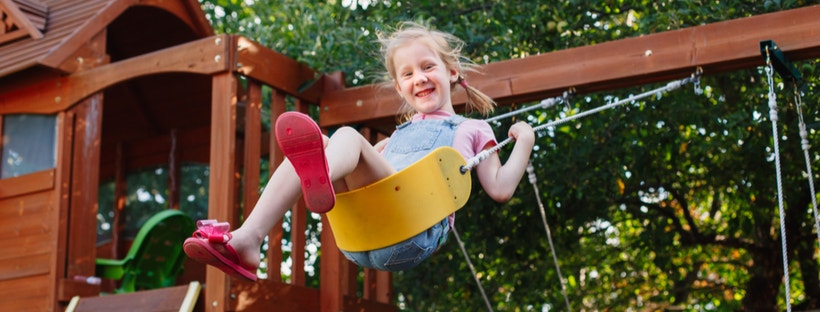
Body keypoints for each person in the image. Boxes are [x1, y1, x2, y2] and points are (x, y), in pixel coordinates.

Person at [183, 21, 535, 281]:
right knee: (322, 145)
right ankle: (248, 238)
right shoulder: (395, 139)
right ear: (399, 87)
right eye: (408, 74)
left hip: (414, 231)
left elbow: (501, 188)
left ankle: (318, 173)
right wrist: (364, 154)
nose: (420, 78)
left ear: (452, 72)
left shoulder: (473, 129)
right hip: (361, 234)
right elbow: (373, 165)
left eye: (429, 67)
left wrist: (525, 141)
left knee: (347, 138)